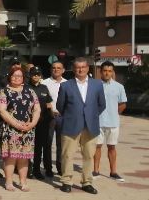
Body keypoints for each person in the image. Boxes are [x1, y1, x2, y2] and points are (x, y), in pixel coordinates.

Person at [56, 57, 106, 194]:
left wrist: (91, 115)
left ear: (88, 68)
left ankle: (87, 182)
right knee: (67, 155)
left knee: (89, 156)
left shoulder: (97, 85)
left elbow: (102, 104)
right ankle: (66, 181)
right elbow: (60, 106)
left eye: (83, 67)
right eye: (78, 67)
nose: (81, 69)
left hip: (91, 126)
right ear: (73, 69)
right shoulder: (66, 85)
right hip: (71, 125)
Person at [0, 67, 41, 192]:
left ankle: (23, 182)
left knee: (24, 157)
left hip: (28, 129)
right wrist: (16, 124)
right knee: (11, 157)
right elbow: (1, 111)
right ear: (9, 77)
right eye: (14, 75)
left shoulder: (30, 91)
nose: (17, 78)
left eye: (19, 76)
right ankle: (9, 182)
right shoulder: (4, 91)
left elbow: (37, 109)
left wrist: (33, 123)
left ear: (23, 78)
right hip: (11, 130)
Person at [93, 61, 128, 182]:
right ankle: (95, 171)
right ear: (100, 72)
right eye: (105, 71)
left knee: (112, 147)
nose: (107, 73)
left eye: (109, 71)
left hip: (113, 123)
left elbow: (123, 104)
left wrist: (114, 113)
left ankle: (113, 172)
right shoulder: (94, 85)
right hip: (97, 122)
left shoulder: (119, 87)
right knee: (97, 147)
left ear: (113, 72)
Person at [40, 61, 67, 177]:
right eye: (54, 68)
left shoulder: (68, 83)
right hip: (48, 117)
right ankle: (48, 168)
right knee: (48, 143)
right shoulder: (44, 83)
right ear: (51, 70)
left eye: (59, 68)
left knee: (62, 144)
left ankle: (60, 167)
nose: (56, 70)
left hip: (63, 117)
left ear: (63, 70)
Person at [28, 66, 54, 180]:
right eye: (34, 74)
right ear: (30, 75)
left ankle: (37, 170)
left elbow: (49, 104)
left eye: (38, 74)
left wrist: (52, 114)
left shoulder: (44, 88)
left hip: (42, 122)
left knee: (39, 147)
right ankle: (27, 169)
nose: (36, 76)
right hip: (28, 122)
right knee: (27, 147)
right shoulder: (26, 88)